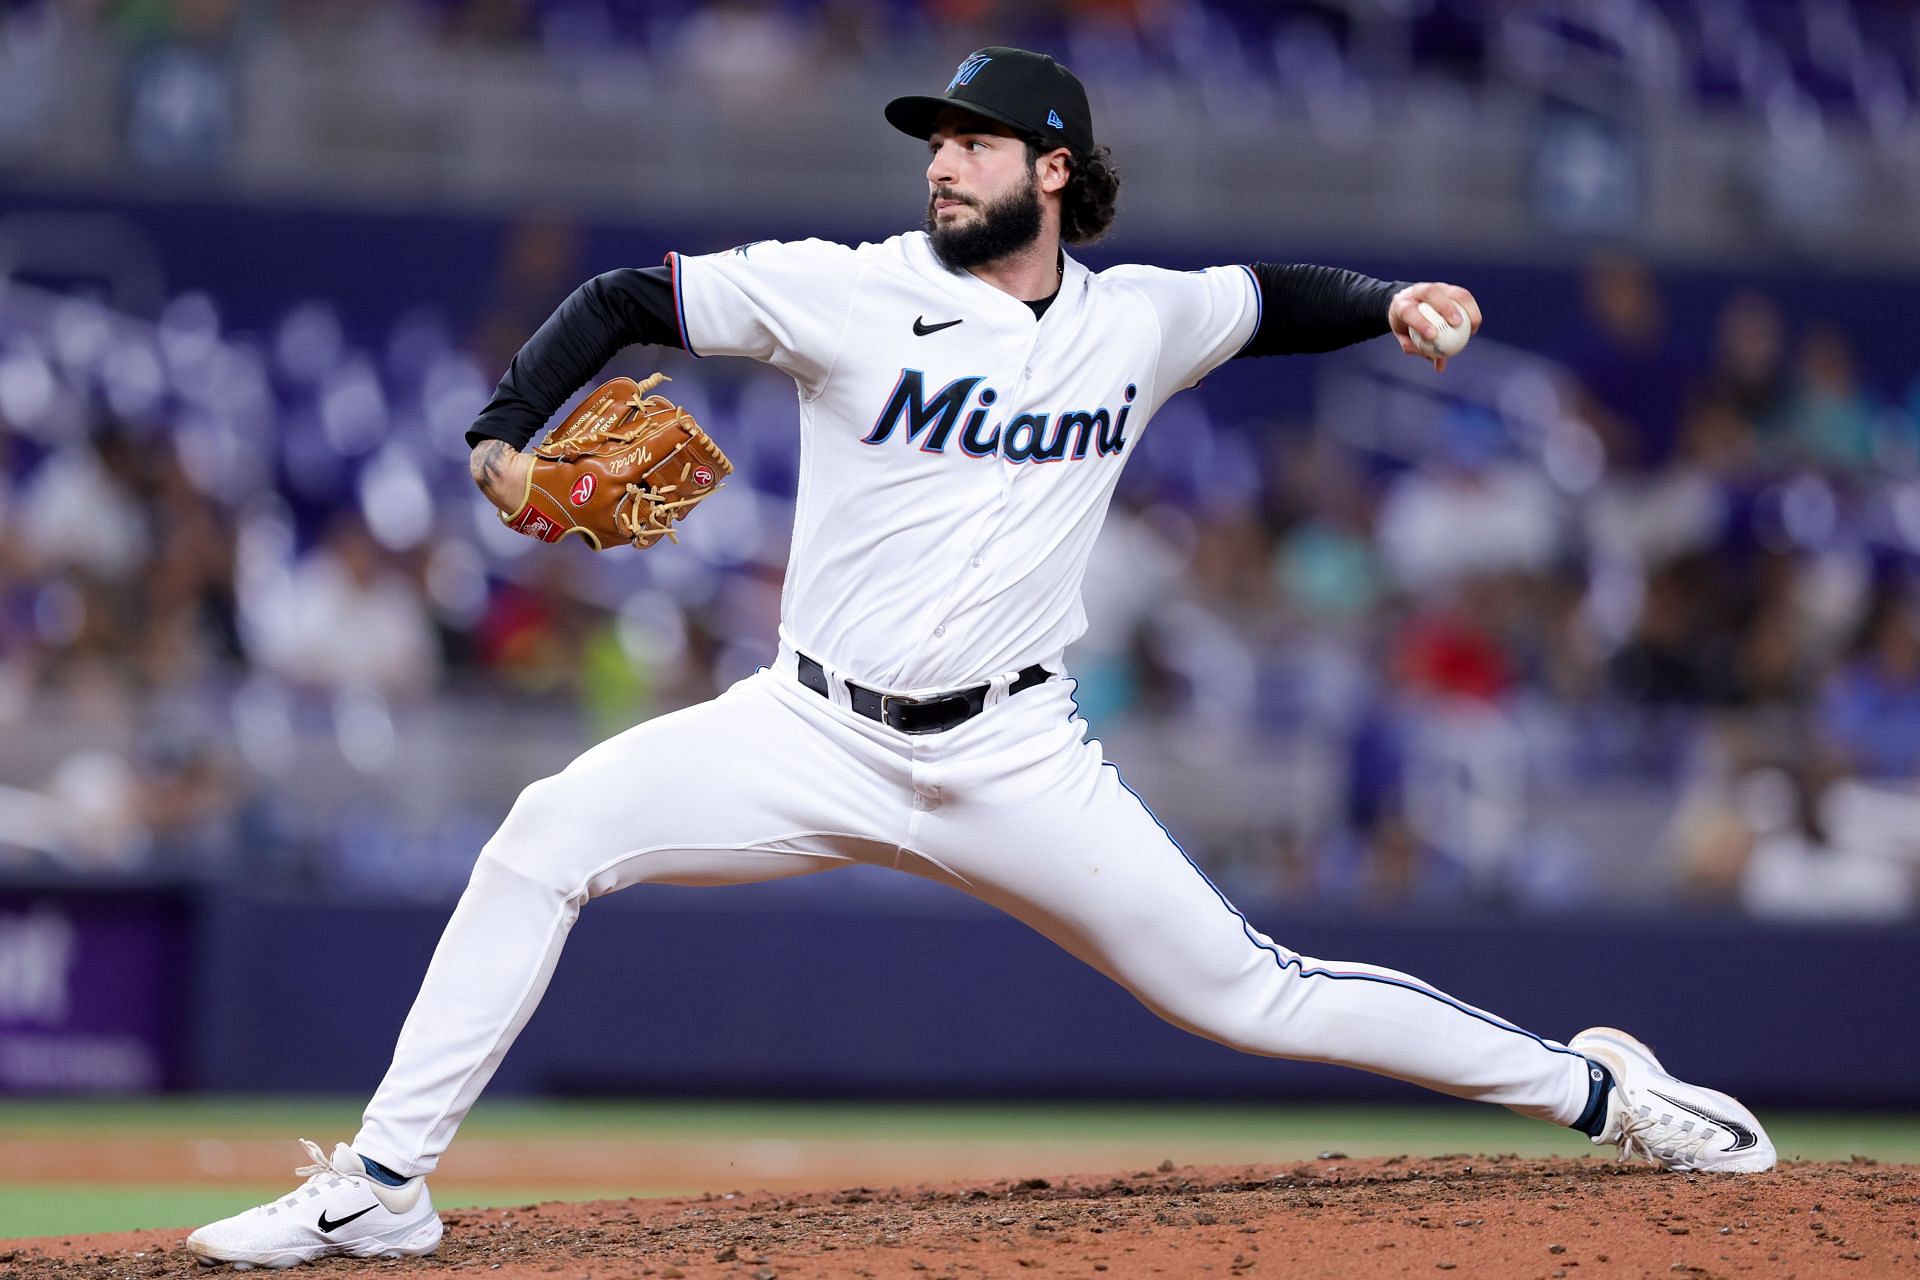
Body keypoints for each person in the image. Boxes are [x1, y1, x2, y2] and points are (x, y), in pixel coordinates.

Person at [187, 47, 1774, 1270]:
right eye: (933, 145)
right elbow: (628, 299)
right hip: (804, 731)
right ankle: (381, 1193)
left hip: (1015, 756)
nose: (940, 166)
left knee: (1249, 995)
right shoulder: (851, 289)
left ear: (1055, 170)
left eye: (968, 143)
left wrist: (1389, 306)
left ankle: (1602, 1092)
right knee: (544, 834)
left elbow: (1266, 303)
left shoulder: (1136, 320)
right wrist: (496, 431)